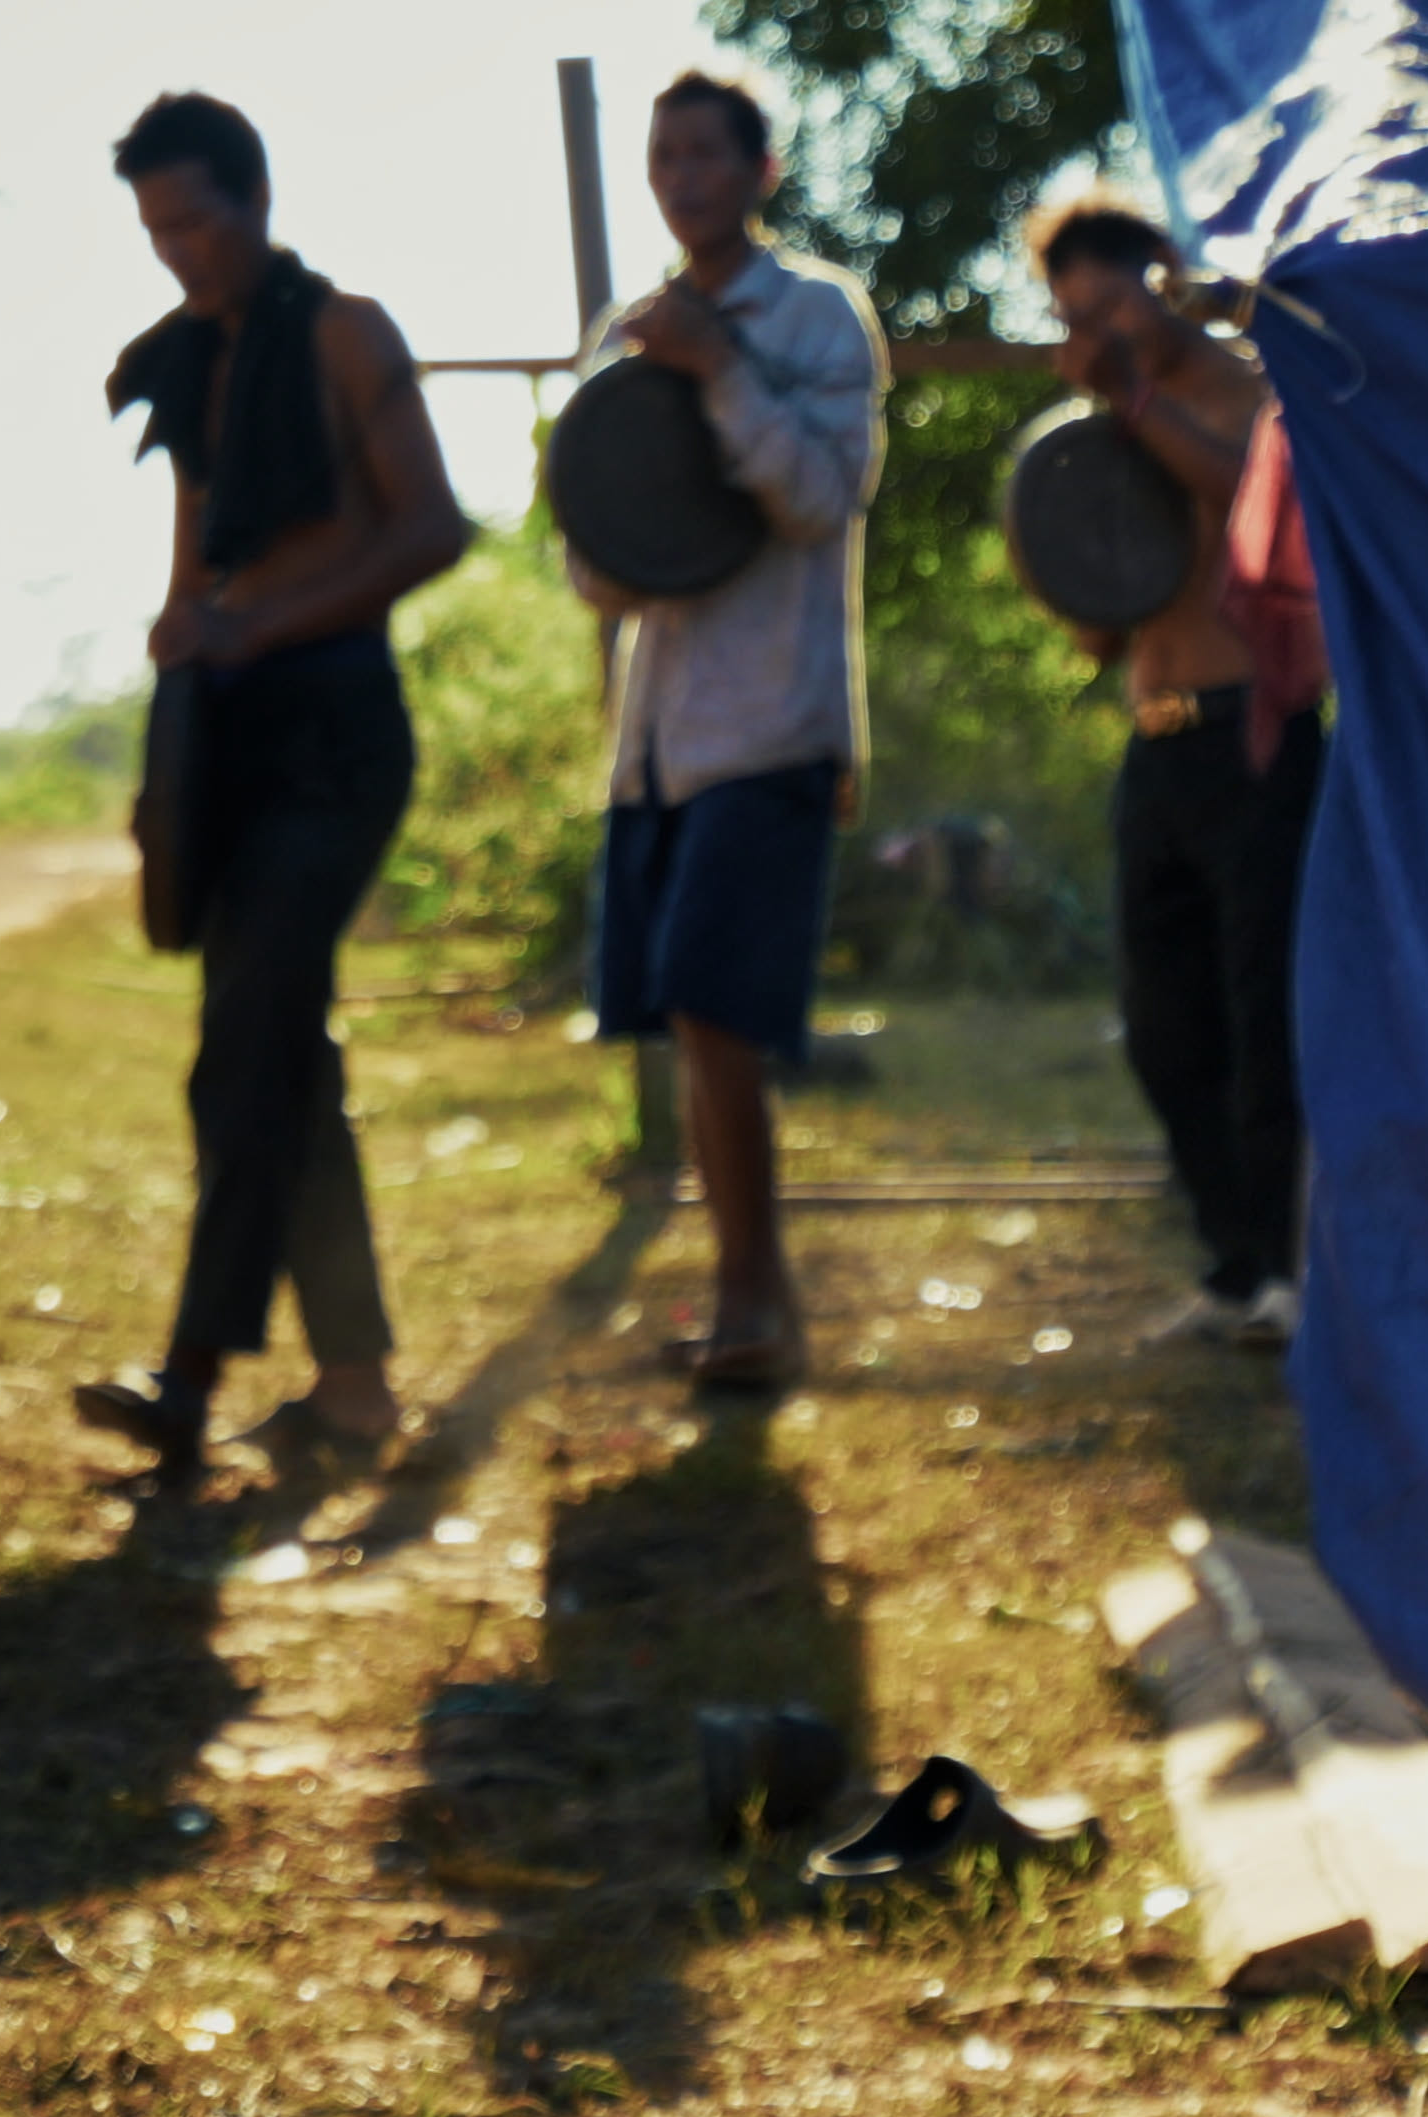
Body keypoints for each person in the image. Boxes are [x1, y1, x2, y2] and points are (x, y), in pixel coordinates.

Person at [70, 91, 467, 1480]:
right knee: (282, 1049)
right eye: (155, 228)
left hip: (338, 727)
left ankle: (189, 1374)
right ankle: (353, 1386)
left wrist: (264, 629)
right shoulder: (191, 364)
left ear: (254, 199)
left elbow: (432, 529)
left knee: (246, 1046)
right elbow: (194, 573)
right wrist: (166, 761)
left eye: (194, 218)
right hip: (224, 734)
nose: (176, 248)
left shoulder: (348, 333)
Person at [566, 72, 884, 1394]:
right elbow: (600, 565)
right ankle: (742, 1295)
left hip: (773, 726)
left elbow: (819, 498)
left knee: (714, 1003)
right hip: (660, 741)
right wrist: (641, 510)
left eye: (707, 154)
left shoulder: (815, 318)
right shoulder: (625, 335)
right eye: (664, 157)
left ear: (761, 171)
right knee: (692, 1025)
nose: (682, 177)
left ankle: (758, 1299)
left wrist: (719, 377)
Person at [1030, 199, 1321, 1349]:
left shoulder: (1247, 385)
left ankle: (1294, 1275)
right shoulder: (1110, 425)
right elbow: (1103, 616)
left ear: (1158, 277)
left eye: (1104, 303)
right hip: (1152, 739)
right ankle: (1233, 1264)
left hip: (1254, 731)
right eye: (1069, 315)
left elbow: (1245, 498)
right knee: (1163, 1026)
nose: (1092, 330)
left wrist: (1133, 402)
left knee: (1265, 1019)